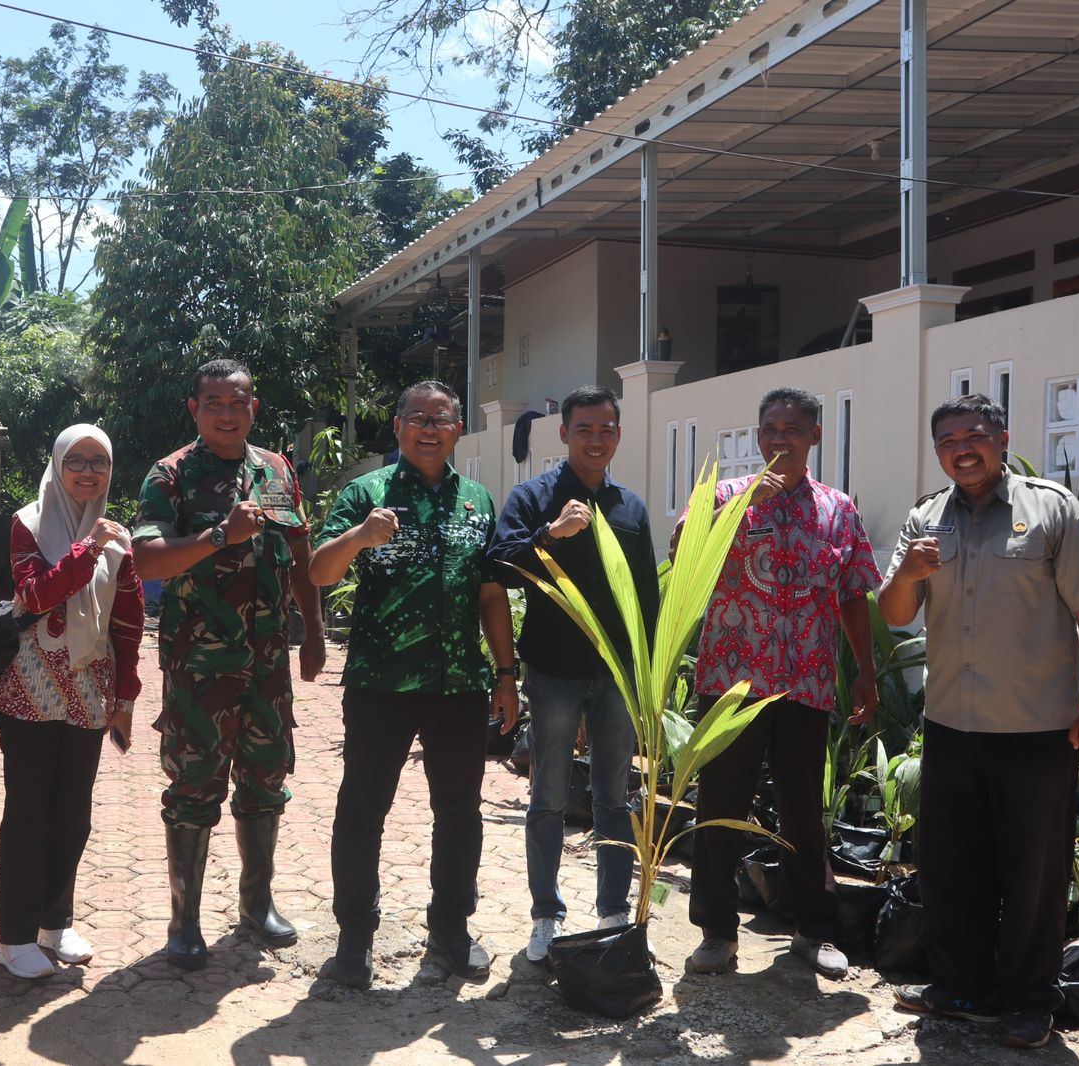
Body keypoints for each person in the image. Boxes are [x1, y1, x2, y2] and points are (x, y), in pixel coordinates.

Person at [878, 394, 1079, 1050]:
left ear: (1002, 438)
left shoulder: (1051, 510)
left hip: (1036, 732)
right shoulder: (926, 518)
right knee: (952, 866)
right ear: (937, 453)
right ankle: (963, 989)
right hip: (952, 727)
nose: (964, 447)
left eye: (975, 435)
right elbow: (896, 612)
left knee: (1034, 874)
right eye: (949, 439)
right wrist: (908, 570)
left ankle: (1028, 1001)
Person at [312, 380, 521, 989]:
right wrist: (358, 538)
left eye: (442, 419)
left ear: (458, 430)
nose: (430, 428)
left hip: (459, 684)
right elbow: (320, 571)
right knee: (362, 809)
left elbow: (490, 593)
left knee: (459, 812)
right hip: (381, 683)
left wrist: (506, 675)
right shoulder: (366, 494)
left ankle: (451, 931)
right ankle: (354, 937)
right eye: (418, 418)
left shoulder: (478, 500)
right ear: (398, 426)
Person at [677, 386, 881, 980]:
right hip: (733, 683)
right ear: (757, 434)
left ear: (814, 435)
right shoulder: (724, 495)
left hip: (807, 682)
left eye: (792, 428)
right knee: (721, 805)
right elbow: (682, 549)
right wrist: (733, 513)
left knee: (802, 812)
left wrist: (864, 672)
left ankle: (813, 932)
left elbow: (852, 592)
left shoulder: (838, 508)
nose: (778, 438)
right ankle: (717, 932)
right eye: (769, 428)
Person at [132, 359, 326, 970]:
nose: (225, 411)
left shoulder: (275, 470)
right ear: (195, 409)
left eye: (236, 400)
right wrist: (222, 535)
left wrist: (314, 631)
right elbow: (148, 563)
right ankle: (184, 921)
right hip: (199, 667)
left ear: (253, 407)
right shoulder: (169, 475)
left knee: (267, 777)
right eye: (213, 401)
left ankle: (256, 905)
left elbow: (300, 555)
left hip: (267, 660)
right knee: (193, 785)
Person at [489, 385, 660, 961]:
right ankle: (546, 915)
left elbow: (646, 598)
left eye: (606, 428)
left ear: (618, 433)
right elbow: (499, 567)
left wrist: (650, 674)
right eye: (583, 429)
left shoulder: (631, 507)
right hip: (554, 672)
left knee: (616, 797)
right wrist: (549, 535)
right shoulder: (534, 497)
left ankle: (613, 909)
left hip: (615, 676)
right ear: (563, 434)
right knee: (548, 796)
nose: (595, 439)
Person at [0, 425, 145, 980]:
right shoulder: (27, 524)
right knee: (28, 812)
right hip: (29, 688)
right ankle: (13, 936)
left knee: (73, 813)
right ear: (57, 465)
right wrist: (88, 548)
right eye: (76, 460)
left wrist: (126, 694)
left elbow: (128, 622)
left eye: (98, 462)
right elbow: (36, 592)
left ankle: (55, 922)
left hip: (87, 690)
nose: (87, 471)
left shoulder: (118, 539)